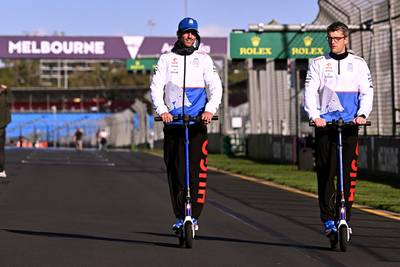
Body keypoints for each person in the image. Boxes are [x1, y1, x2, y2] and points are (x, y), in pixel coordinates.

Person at [150, 17, 223, 232]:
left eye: (193, 33)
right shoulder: (166, 59)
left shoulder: (204, 59)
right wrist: (163, 111)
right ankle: (181, 215)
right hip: (173, 125)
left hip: (197, 124)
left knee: (196, 173)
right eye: (186, 32)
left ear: (197, 35)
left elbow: (216, 88)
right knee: (176, 172)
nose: (190, 36)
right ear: (179, 35)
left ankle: (194, 215)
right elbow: (155, 88)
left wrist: (210, 110)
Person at [304, 21, 373, 238]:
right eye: (330, 38)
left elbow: (367, 92)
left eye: (337, 38)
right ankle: (328, 219)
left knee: (348, 174)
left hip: (350, 125)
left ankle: (344, 216)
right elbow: (310, 92)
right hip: (326, 126)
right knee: (326, 173)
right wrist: (315, 116)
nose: (333, 42)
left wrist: (362, 115)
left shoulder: (359, 64)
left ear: (346, 39)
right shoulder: (318, 63)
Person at [0, 84, 11, 178]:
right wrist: (7, 90)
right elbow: (11, 99)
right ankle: (2, 170)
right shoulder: (4, 99)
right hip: (1, 127)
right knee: (1, 150)